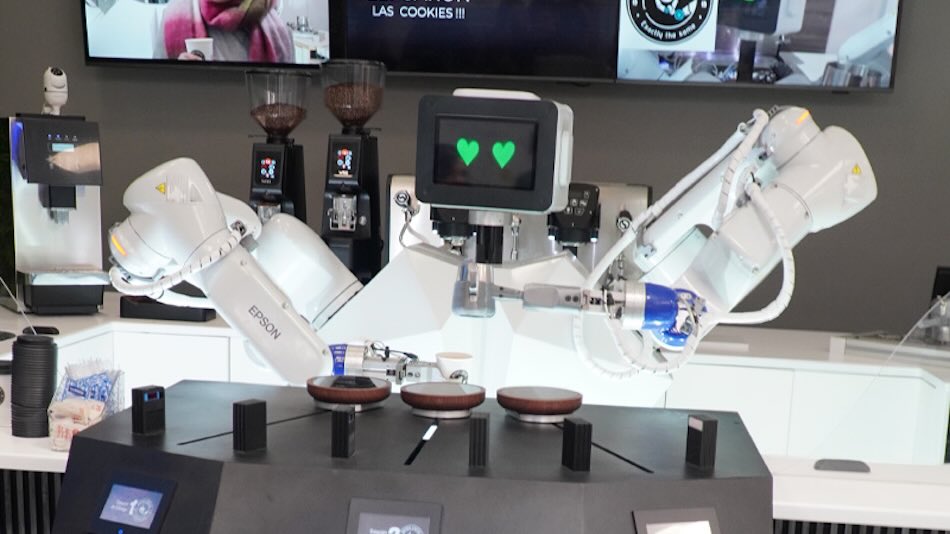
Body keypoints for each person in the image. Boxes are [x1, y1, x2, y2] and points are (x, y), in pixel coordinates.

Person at [162, 0, 293, 63]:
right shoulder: (174, 16)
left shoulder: (278, 30)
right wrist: (178, 74)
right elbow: (157, 88)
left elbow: (288, 93)